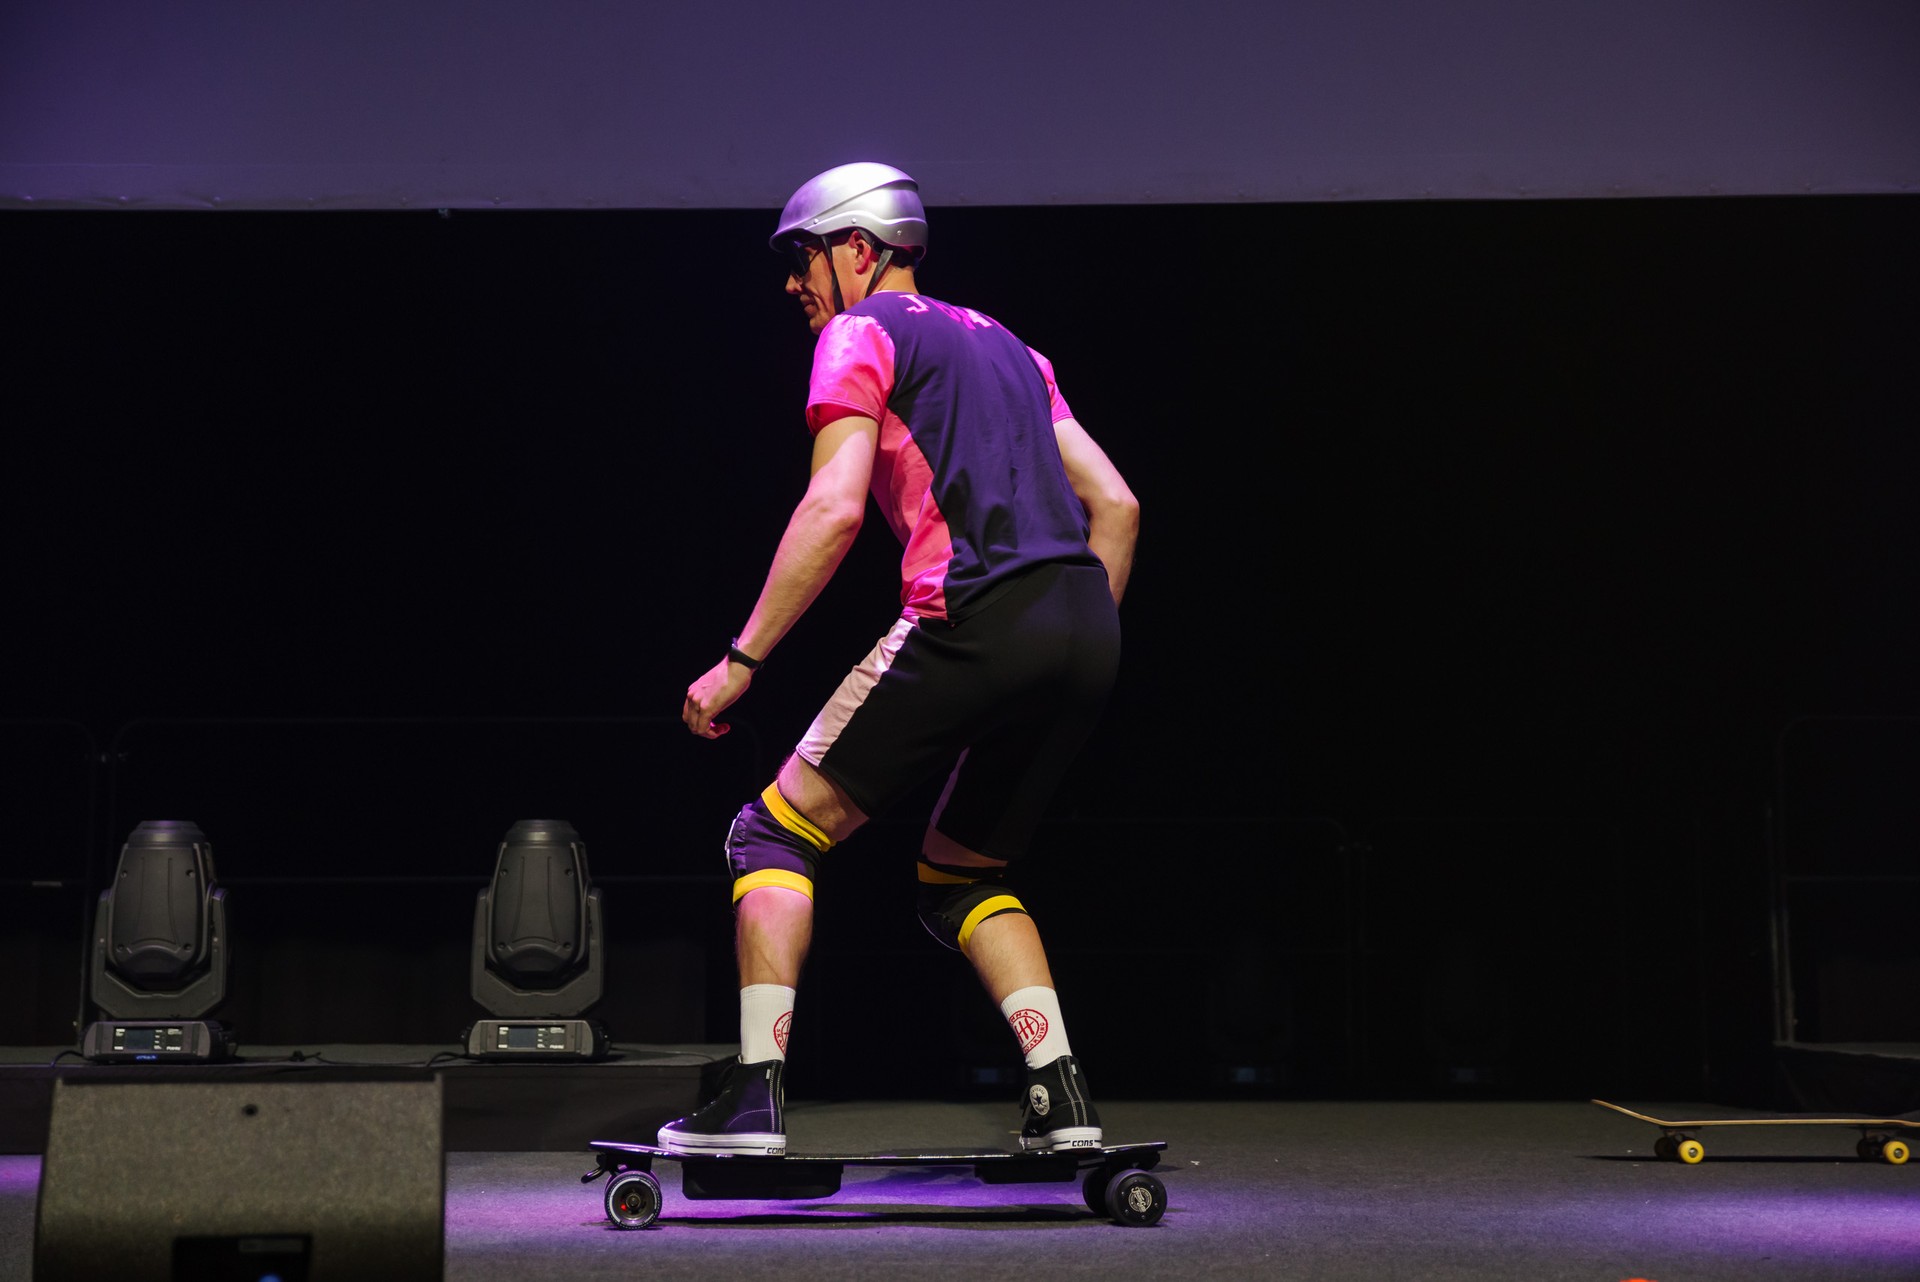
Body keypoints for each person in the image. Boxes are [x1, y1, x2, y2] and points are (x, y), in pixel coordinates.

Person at [662, 162, 1139, 1157]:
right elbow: (1119, 507)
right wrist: (1070, 630)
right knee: (963, 873)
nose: (793, 283)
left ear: (860, 248)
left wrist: (742, 660)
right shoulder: (1015, 347)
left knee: (771, 834)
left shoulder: (860, 332)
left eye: (803, 257)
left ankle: (753, 1099)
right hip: (1086, 630)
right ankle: (1062, 1092)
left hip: (970, 613)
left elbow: (833, 507)